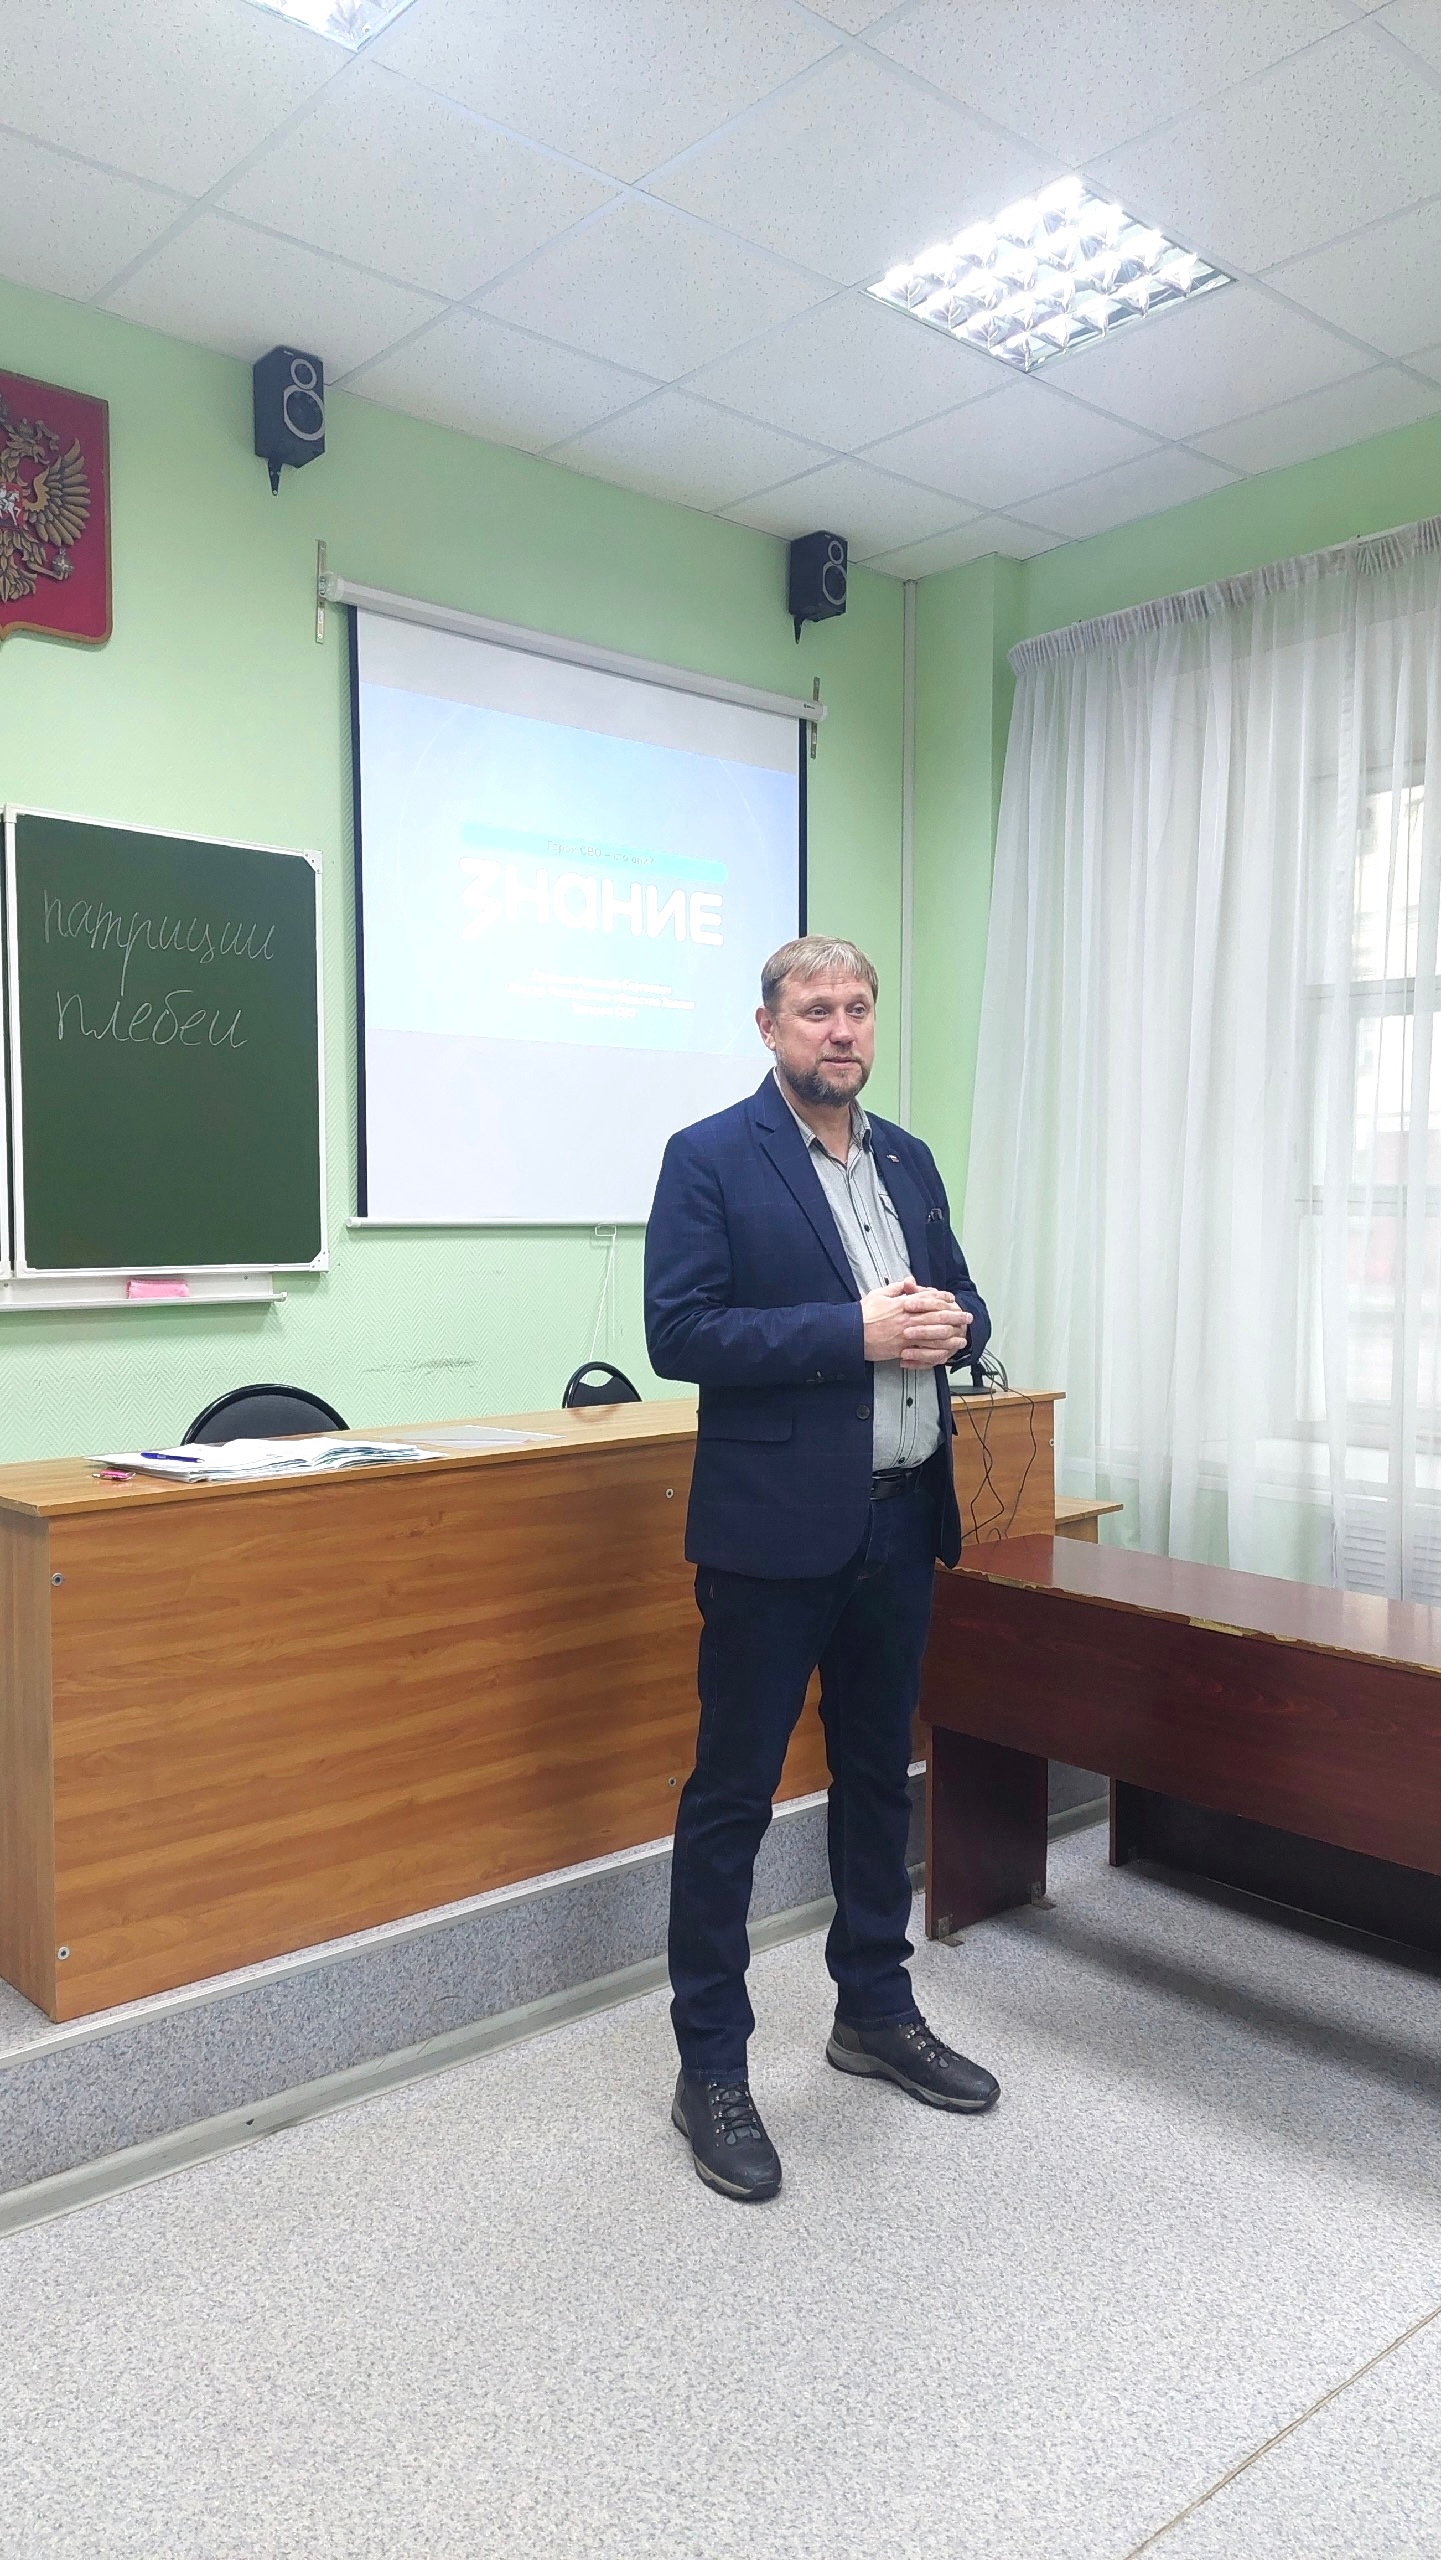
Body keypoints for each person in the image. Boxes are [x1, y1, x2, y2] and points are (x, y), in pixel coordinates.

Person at [644, 934, 1000, 2202]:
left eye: (856, 1008)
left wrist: (957, 1322)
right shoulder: (710, 1156)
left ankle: (873, 2009)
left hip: (900, 1523)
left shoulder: (905, 1156)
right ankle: (711, 2067)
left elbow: (963, 1301)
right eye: (814, 1010)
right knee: (732, 1800)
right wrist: (855, 1329)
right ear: (769, 1027)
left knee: (876, 1780)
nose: (840, 1029)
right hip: (770, 1538)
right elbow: (681, 1332)